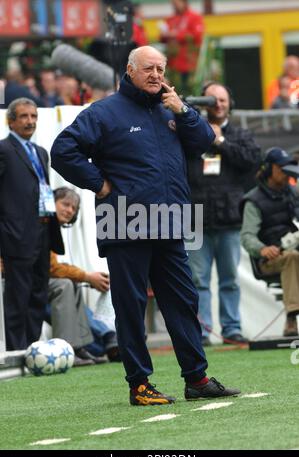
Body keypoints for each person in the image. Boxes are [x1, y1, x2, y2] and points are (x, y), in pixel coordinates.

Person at [51, 45, 241, 405]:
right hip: (125, 221)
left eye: (160, 68)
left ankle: (197, 379)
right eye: (148, 68)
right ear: (130, 70)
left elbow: (204, 142)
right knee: (131, 305)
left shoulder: (172, 109)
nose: (155, 75)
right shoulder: (105, 112)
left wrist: (183, 111)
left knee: (183, 301)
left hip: (171, 223)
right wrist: (99, 183)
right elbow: (63, 150)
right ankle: (139, 384)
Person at [187, 82, 261, 346]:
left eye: (222, 100)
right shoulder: (191, 133)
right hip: (194, 217)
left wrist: (219, 141)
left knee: (229, 279)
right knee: (198, 280)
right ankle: (202, 332)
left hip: (230, 217)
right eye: (211, 100)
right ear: (202, 103)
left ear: (230, 103)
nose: (217, 104)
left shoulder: (240, 134)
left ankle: (231, 329)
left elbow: (252, 161)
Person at [0, 97, 63, 350]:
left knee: (38, 292)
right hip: (16, 233)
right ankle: (17, 350)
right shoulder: (3, 149)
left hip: (43, 228)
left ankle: (33, 347)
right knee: (18, 294)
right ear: (10, 121)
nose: (30, 121)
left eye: (34, 116)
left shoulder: (40, 152)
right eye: (24, 116)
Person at [48, 186, 119, 365]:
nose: (69, 210)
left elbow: (53, 267)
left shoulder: (52, 229)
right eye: (65, 204)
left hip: (37, 284)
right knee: (65, 284)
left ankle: (84, 346)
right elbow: (52, 268)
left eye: (73, 208)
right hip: (21, 283)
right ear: (52, 203)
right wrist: (87, 276)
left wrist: (83, 277)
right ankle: (80, 345)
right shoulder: (42, 226)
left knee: (71, 283)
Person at [241, 147, 299, 337]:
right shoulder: (253, 201)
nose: (286, 172)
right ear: (269, 169)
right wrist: (263, 249)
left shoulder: (292, 193)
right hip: (270, 259)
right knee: (292, 257)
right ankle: (292, 318)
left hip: (294, 249)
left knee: (294, 256)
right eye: (282, 168)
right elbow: (247, 236)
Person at [159, 0, 204, 95]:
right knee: (174, 90)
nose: (175, 6)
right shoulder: (170, 19)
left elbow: (197, 35)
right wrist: (165, 35)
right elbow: (162, 38)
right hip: (173, 63)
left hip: (189, 62)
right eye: (173, 4)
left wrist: (176, 34)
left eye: (176, 4)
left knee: (189, 90)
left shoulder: (194, 17)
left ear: (184, 2)